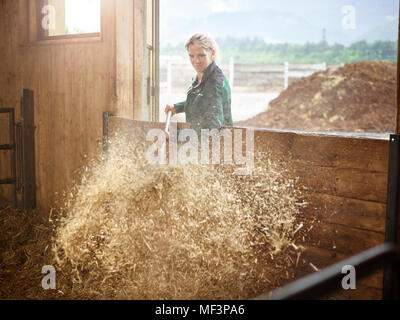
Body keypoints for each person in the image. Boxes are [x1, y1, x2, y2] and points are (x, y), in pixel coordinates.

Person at [164, 33, 233, 135]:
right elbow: (201, 101)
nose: (196, 61)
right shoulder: (202, 76)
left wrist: (176, 136)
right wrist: (177, 107)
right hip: (201, 141)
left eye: (201, 55)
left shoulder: (214, 83)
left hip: (217, 144)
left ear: (212, 53)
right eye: (192, 56)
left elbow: (212, 128)